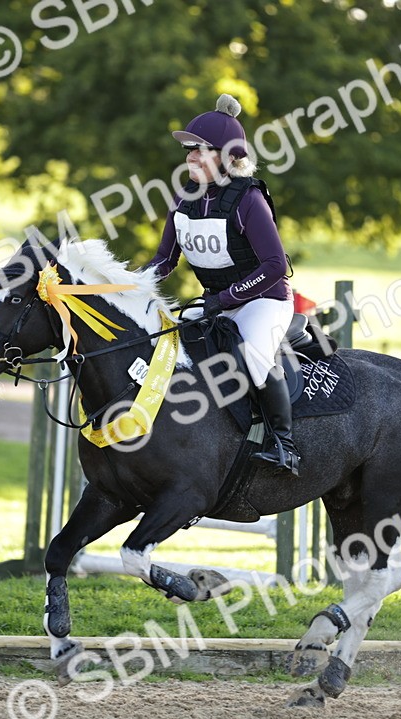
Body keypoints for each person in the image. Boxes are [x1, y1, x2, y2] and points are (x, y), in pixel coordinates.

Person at [142, 94, 300, 477]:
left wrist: (227, 298)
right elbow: (164, 260)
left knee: (256, 359)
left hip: (264, 301)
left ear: (229, 157)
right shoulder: (183, 199)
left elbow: (276, 266)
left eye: (201, 151)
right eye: (189, 151)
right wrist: (128, 285)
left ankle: (284, 445)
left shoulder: (249, 200)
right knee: (166, 347)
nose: (192, 158)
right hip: (216, 302)